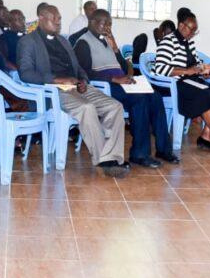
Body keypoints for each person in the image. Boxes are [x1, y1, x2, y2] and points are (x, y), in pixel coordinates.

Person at [18, 5, 128, 178]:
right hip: (53, 91)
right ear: (41, 18)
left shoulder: (63, 41)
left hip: (77, 87)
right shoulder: (28, 42)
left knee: (115, 106)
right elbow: (25, 73)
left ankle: (113, 156)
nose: (58, 22)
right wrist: (56, 80)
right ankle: (104, 160)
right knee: (87, 108)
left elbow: (78, 67)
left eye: (59, 18)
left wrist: (83, 80)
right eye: (53, 18)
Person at [75, 10, 175, 167]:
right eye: (104, 24)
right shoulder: (83, 43)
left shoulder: (107, 41)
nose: (108, 28)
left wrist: (115, 49)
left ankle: (163, 149)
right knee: (139, 100)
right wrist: (115, 79)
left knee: (155, 96)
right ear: (93, 22)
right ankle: (140, 154)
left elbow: (123, 67)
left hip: (121, 82)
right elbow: (85, 73)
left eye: (110, 24)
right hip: (105, 86)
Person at [153, 11, 210, 152]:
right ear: (181, 25)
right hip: (176, 83)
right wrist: (186, 71)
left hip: (192, 81)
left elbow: (196, 63)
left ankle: (206, 135)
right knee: (205, 95)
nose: (192, 34)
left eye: (194, 31)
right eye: (191, 30)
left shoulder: (189, 43)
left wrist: (203, 71)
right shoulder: (168, 42)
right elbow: (159, 68)